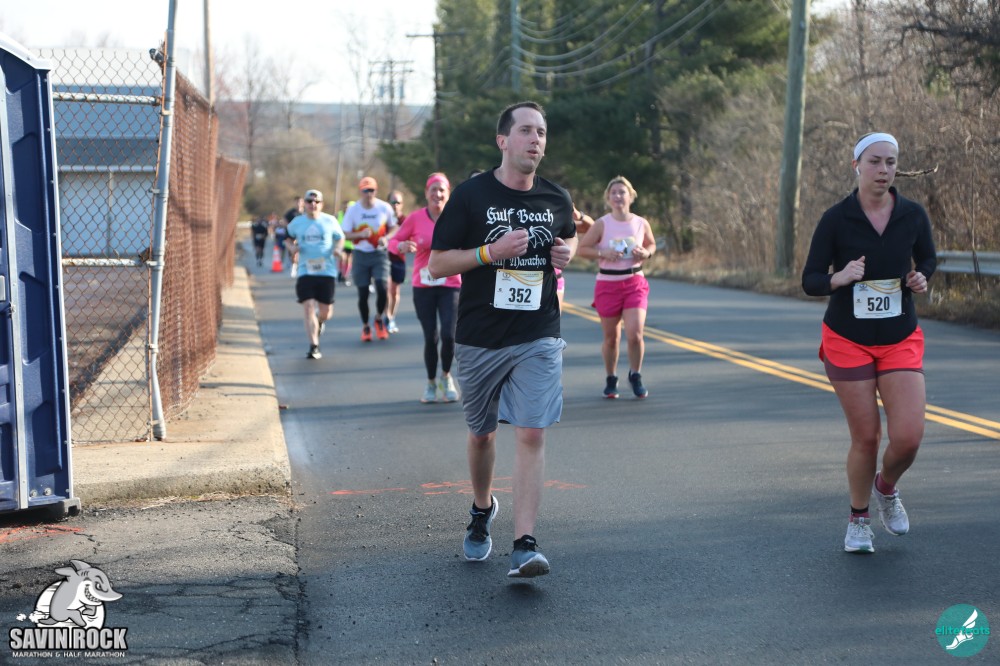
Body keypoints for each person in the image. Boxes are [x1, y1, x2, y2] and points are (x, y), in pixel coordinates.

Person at [428, 101, 577, 578]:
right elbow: (437, 264)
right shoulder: (470, 196)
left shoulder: (556, 198)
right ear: (503, 141)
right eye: (526, 131)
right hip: (480, 338)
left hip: (538, 333)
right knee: (482, 434)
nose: (536, 139)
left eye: (542, 132)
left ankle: (524, 544)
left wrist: (567, 252)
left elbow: (569, 238)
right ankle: (481, 508)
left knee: (532, 430)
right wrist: (490, 252)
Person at [801, 132, 936, 554]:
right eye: (875, 161)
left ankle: (886, 488)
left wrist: (921, 277)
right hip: (848, 338)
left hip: (899, 336)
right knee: (867, 437)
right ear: (856, 165)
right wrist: (838, 278)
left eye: (891, 162)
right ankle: (858, 520)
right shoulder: (836, 219)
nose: (883, 170)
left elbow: (928, 258)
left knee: (909, 437)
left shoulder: (912, 214)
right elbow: (810, 279)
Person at [576, 176, 656, 399]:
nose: (618, 196)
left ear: (631, 196)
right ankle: (611, 378)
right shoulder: (602, 224)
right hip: (608, 284)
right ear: (608, 198)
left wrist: (646, 253)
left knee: (635, 334)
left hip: (634, 281)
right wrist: (603, 253)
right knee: (611, 338)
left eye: (622, 192)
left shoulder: (640, 223)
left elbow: (651, 244)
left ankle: (635, 374)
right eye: (614, 193)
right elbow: (582, 249)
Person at [388, 174, 461, 404]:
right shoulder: (415, 218)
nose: (437, 194)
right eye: (433, 189)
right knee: (431, 337)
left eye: (442, 190)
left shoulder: (458, 217)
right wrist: (400, 245)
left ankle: (446, 377)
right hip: (424, 286)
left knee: (449, 336)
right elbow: (393, 241)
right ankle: (430, 383)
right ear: (426, 193)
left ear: (448, 193)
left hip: (451, 284)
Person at [284, 189, 345, 360]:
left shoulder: (330, 221)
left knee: (326, 312)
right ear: (304, 203)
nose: (313, 204)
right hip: (305, 270)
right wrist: (292, 248)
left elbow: (340, 237)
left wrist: (338, 249)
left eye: (316, 201)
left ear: (321, 204)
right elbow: (287, 238)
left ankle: (319, 321)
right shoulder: (297, 222)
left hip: (327, 271)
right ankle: (314, 346)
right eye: (309, 201)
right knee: (308, 307)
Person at [341, 177, 397, 342]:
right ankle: (366, 325)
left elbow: (395, 227)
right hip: (360, 254)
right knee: (363, 293)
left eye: (371, 190)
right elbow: (345, 234)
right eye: (365, 190)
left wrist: (386, 238)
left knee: (382, 287)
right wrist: (360, 234)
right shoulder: (353, 210)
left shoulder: (384, 207)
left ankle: (379, 319)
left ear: (376, 191)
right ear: (361, 191)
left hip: (379, 254)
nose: (368, 194)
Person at [555, 207, 594, 309]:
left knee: (552, 319)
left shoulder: (555, 219)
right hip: (520, 277)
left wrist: (580, 216)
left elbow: (593, 228)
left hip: (553, 278)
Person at [386, 190, 408, 333]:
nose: (395, 205)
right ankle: (386, 317)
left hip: (399, 260)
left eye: (398, 202)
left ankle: (392, 317)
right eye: (392, 202)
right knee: (386, 289)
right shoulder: (383, 219)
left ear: (402, 204)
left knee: (395, 291)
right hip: (383, 259)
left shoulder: (405, 221)